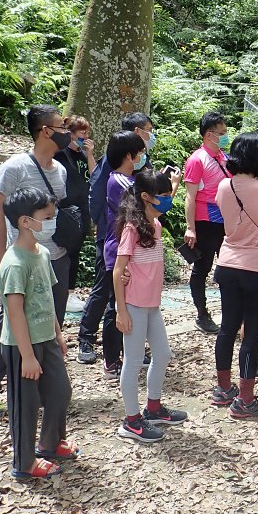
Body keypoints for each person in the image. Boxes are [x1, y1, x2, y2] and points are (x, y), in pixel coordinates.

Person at [0, 105, 71, 425]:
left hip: (54, 258)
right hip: (22, 262)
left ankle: (37, 386)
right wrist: (1, 256)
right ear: (45, 131)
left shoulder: (61, 170)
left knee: (48, 322)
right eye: (62, 126)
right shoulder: (14, 167)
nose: (67, 131)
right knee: (10, 324)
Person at [0, 187, 75, 479]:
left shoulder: (42, 253)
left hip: (46, 338)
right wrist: (28, 356)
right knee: (26, 406)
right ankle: (25, 463)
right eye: (47, 217)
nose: (51, 222)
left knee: (60, 392)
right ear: (25, 221)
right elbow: (14, 312)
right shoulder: (14, 263)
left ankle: (50, 443)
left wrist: (58, 333)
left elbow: (47, 298)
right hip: (22, 347)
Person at [211, 133, 258, 415]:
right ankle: (245, 400)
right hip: (257, 268)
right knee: (252, 334)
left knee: (227, 328)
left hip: (227, 264)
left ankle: (223, 389)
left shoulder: (224, 185)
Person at [112, 170, 189, 442]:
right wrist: (121, 310)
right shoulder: (132, 228)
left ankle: (153, 408)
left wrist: (174, 184)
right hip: (134, 305)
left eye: (169, 195)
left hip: (152, 305)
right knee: (133, 362)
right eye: (163, 195)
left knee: (163, 354)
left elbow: (162, 202)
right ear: (146, 197)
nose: (168, 199)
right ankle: (131, 421)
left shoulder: (153, 224)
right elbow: (118, 270)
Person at [77, 112, 157, 365]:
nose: (151, 135)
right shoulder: (113, 167)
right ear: (137, 133)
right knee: (107, 292)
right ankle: (87, 339)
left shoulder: (138, 164)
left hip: (129, 238)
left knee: (123, 295)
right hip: (111, 237)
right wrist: (102, 227)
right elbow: (97, 195)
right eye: (148, 130)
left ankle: (127, 348)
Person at [100, 130, 148, 378]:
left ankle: (130, 352)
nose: (142, 157)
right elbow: (144, 205)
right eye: (140, 153)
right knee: (116, 306)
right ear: (129, 156)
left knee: (130, 303)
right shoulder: (118, 181)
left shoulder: (131, 179)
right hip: (118, 252)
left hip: (131, 251)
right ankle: (111, 360)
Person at [183, 111, 231, 334]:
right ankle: (202, 314)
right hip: (206, 220)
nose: (225, 136)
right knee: (202, 268)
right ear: (209, 134)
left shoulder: (224, 157)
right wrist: (190, 227)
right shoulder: (197, 159)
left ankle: (231, 313)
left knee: (229, 267)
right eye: (222, 132)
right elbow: (190, 196)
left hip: (226, 220)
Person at [54, 115, 97, 313]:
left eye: (87, 132)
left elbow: (94, 177)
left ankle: (69, 292)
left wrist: (89, 155)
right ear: (70, 134)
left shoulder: (83, 155)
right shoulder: (60, 155)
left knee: (75, 251)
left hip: (83, 209)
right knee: (64, 252)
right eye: (82, 132)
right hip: (65, 210)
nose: (85, 136)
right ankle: (62, 293)